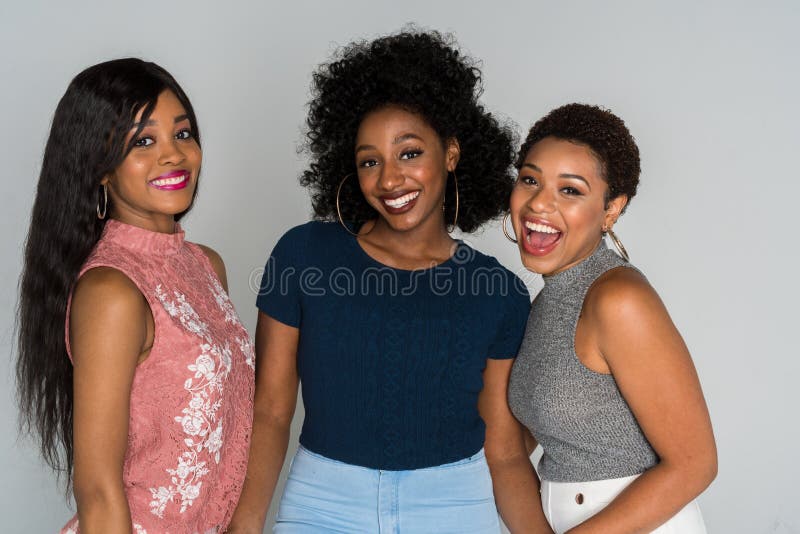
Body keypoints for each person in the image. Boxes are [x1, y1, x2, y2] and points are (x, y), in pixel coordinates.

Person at [229, 30, 551, 533]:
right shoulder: (304, 256)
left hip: (457, 507)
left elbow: (506, 453)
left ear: (450, 152)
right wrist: (243, 526)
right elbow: (270, 410)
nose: (389, 179)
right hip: (323, 505)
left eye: (409, 153)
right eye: (369, 161)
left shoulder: (498, 293)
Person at [16, 58, 255, 533]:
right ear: (99, 168)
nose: (173, 155)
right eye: (143, 142)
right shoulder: (111, 290)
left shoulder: (207, 265)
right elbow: (99, 490)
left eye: (182, 134)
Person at [505, 103, 717, 533]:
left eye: (570, 190)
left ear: (611, 208)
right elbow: (524, 438)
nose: (539, 204)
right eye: (530, 179)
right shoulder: (545, 302)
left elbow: (695, 464)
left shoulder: (618, 299)